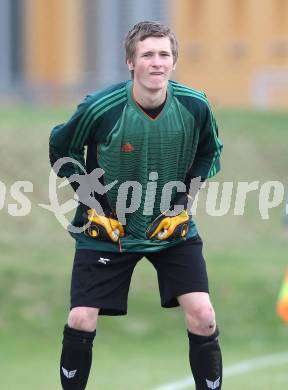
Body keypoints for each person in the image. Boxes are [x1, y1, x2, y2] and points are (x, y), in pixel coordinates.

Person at [49, 20, 223, 390]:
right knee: (81, 318)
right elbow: (60, 149)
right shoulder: (100, 108)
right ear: (130, 61)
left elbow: (210, 153)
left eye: (164, 54)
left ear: (174, 61)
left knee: (204, 316)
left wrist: (181, 204)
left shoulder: (195, 105)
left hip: (170, 228)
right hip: (106, 230)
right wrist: (93, 202)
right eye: (147, 54)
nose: (157, 62)